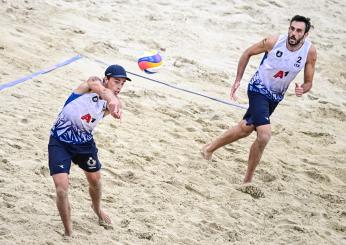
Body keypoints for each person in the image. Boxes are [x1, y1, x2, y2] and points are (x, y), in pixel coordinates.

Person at [201, 15, 317, 183]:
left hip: (275, 96)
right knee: (264, 135)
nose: (293, 33)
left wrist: (302, 89)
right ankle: (247, 181)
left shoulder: (309, 52)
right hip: (258, 88)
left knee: (246, 128)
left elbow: (308, 83)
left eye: (298, 31)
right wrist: (238, 80)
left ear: (305, 35)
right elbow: (247, 53)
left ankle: (208, 149)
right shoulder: (273, 42)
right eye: (291, 29)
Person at [48, 64, 131, 236]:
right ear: (106, 79)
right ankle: (68, 231)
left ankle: (97, 208)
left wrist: (116, 109)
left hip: (84, 144)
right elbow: (102, 90)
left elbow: (115, 104)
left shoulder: (113, 102)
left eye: (123, 83)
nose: (119, 86)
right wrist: (112, 100)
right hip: (60, 141)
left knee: (95, 181)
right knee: (62, 189)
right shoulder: (91, 84)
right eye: (116, 81)